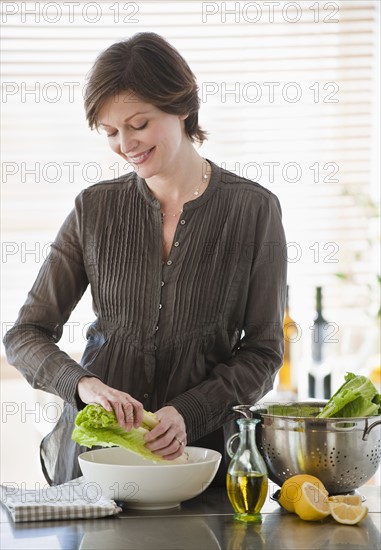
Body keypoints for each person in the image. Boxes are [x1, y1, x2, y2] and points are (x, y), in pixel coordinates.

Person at [3, 32, 287, 486]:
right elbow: (24, 335)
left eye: (138, 124)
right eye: (111, 132)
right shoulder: (93, 209)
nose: (125, 145)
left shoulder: (254, 210)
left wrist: (189, 413)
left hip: (198, 459)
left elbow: (263, 351)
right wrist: (84, 386)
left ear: (182, 107)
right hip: (96, 463)